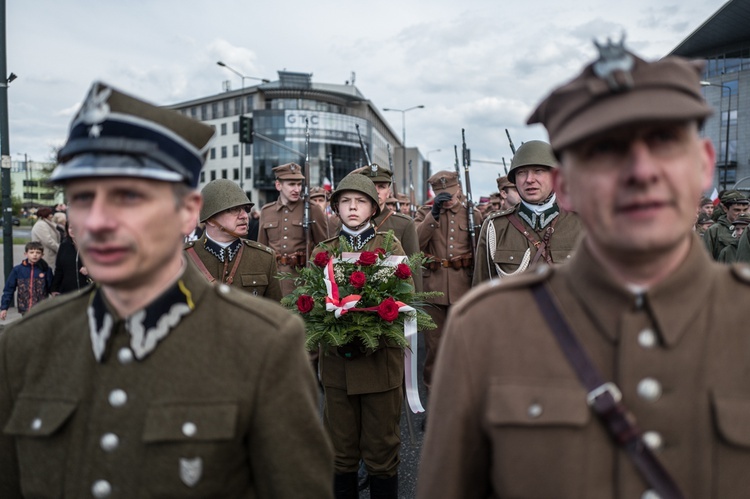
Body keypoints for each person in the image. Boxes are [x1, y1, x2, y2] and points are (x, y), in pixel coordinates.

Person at [417, 39, 750, 498]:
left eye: (663, 143)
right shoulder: (482, 331)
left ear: (703, 166)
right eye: (605, 152)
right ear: (568, 187)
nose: (639, 171)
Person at [0, 81, 333, 498]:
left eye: (128, 197)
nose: (99, 220)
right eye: (82, 197)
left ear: (188, 212)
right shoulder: (25, 345)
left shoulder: (263, 346)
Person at [311, 173, 407, 499]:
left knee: (382, 450)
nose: (353, 207)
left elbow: (406, 297)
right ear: (336, 207)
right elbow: (312, 306)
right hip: (339, 365)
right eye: (346, 202)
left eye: (361, 201)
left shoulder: (390, 246)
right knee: (340, 450)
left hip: (380, 362)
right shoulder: (323, 251)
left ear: (373, 208)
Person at [473, 140, 584, 284]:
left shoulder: (582, 222)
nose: (529, 180)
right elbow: (483, 291)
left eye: (538, 171)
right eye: (521, 173)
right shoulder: (495, 228)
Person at [414, 170, 482, 393]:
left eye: (451, 194)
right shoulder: (425, 213)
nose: (448, 200)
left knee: (464, 347)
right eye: (442, 195)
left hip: (464, 287)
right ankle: (435, 400)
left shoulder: (473, 214)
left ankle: (464, 400)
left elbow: (480, 252)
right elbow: (415, 245)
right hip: (432, 289)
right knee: (435, 349)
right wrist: (432, 215)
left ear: (459, 188)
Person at [185, 179, 282, 301]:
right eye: (233, 210)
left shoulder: (265, 258)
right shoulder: (183, 258)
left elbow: (275, 313)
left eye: (245, 209)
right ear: (210, 219)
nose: (244, 216)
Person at [258, 163, 329, 297]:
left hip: (302, 280)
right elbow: (261, 250)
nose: (297, 189)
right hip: (274, 280)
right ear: (278, 185)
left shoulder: (312, 209)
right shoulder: (267, 211)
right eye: (291, 184)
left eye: (299, 184)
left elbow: (324, 247)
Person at [354, 164, 422, 291]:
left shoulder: (403, 224)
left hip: (392, 298)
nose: (377, 191)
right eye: (371, 185)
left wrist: (416, 304)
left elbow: (414, 267)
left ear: (388, 192)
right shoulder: (349, 222)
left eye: (382, 187)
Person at [0, 241, 52, 319]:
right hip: (25, 308)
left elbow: (52, 288)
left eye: (38, 252)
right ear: (26, 254)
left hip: (41, 308)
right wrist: (4, 308)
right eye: (31, 252)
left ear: (42, 255)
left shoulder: (46, 270)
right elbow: (9, 289)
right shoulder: (18, 270)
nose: (35, 255)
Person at [703, 189, 749, 260]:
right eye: (737, 210)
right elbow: (706, 260)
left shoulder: (748, 229)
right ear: (725, 209)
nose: (742, 213)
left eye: (745, 210)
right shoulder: (714, 231)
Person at [50, 223, 91, 295]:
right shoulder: (64, 246)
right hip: (67, 292)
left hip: (88, 291)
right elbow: (59, 269)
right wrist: (55, 288)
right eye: (70, 228)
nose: (73, 230)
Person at [30, 206, 61, 271]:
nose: (52, 216)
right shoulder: (41, 225)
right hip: (46, 255)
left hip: (50, 254)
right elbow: (48, 241)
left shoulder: (47, 224)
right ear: (45, 215)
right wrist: (60, 249)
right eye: (50, 214)